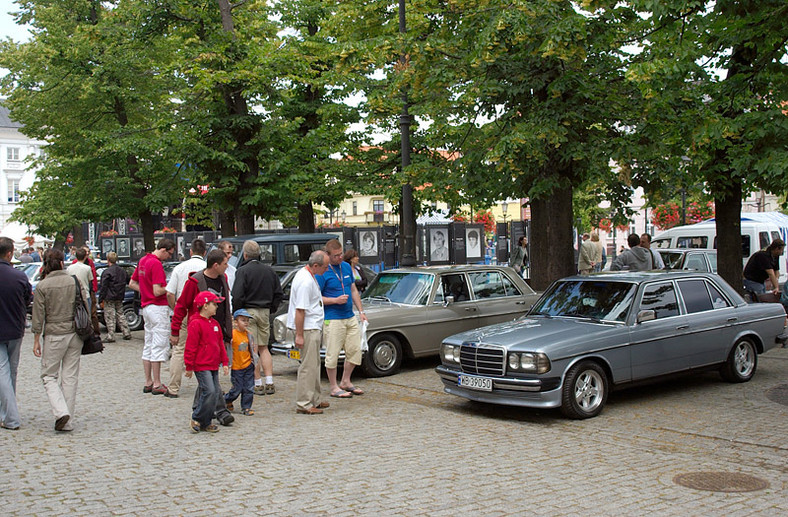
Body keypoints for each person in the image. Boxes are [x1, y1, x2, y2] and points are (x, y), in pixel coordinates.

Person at [169, 249, 235, 432]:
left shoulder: (223, 279)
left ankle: (203, 412)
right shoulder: (195, 282)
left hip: (217, 329)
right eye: (224, 263)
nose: (227, 266)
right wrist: (175, 330)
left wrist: (227, 331)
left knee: (210, 381)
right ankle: (216, 412)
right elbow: (181, 306)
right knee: (208, 380)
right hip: (199, 330)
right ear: (216, 265)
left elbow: (226, 306)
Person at [31, 249, 82, 432]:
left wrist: (36, 339)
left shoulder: (43, 286)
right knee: (70, 377)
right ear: (62, 263)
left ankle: (61, 412)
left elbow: (38, 317)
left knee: (49, 375)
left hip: (54, 334)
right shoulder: (73, 281)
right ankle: (67, 421)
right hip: (75, 333)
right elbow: (84, 303)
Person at [231, 240, 283, 396]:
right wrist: (271, 308)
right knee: (264, 347)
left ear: (245, 254)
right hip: (265, 311)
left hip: (249, 312)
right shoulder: (269, 271)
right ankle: (270, 381)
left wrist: (238, 312)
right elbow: (278, 293)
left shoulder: (242, 271)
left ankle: (257, 382)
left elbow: (237, 295)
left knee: (251, 348)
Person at [319, 239, 368, 399]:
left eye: (341, 254)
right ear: (328, 255)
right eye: (336, 256)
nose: (339, 258)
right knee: (332, 353)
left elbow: (353, 290)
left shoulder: (346, 267)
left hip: (349, 315)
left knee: (355, 350)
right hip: (333, 318)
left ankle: (346, 380)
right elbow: (317, 298)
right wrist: (334, 300)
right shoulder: (324, 271)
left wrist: (360, 310)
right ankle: (333, 386)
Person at [129, 238, 175, 395]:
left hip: (146, 307)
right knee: (159, 344)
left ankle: (148, 380)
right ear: (163, 250)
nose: (169, 257)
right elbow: (157, 290)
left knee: (148, 344)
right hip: (158, 307)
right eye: (169, 254)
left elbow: (132, 283)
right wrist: (170, 286)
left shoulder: (143, 260)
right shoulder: (156, 264)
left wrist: (144, 290)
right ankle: (157, 383)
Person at [290, 250, 330, 414]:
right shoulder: (305, 281)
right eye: (325, 267)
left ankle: (314, 398)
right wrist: (299, 335)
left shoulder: (307, 275)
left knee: (315, 364)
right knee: (308, 365)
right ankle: (304, 403)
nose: (326, 270)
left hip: (313, 326)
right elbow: (300, 310)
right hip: (308, 328)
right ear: (315, 265)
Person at [184, 291, 230, 433]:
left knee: (215, 392)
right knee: (209, 391)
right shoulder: (196, 324)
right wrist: (189, 366)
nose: (216, 307)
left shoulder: (215, 324)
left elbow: (220, 345)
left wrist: (225, 362)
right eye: (214, 304)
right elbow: (190, 346)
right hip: (201, 365)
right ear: (205, 306)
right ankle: (197, 417)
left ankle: (206, 421)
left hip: (213, 365)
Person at [0, 236, 33, 430]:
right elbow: (27, 299)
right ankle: (8, 414)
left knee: (4, 373)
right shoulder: (19, 277)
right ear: (10, 253)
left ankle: (9, 416)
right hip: (15, 328)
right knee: (10, 372)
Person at [224, 309, 257, 416]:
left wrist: (253, 360)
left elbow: (251, 348)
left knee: (249, 388)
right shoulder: (232, 335)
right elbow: (227, 347)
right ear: (235, 322)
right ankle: (226, 399)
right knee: (237, 389)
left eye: (247, 320)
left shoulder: (249, 335)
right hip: (236, 367)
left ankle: (246, 407)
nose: (246, 323)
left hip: (248, 365)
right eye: (243, 320)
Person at [98, 252, 131, 343]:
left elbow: (103, 287)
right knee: (120, 314)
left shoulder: (107, 272)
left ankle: (111, 335)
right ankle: (126, 332)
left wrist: (101, 299)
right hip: (120, 295)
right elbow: (129, 281)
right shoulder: (122, 271)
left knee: (110, 316)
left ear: (108, 260)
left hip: (109, 296)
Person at [67, 248, 92, 312]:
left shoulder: (69, 268)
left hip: (73, 294)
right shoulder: (87, 268)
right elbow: (90, 279)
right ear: (85, 256)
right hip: (85, 294)